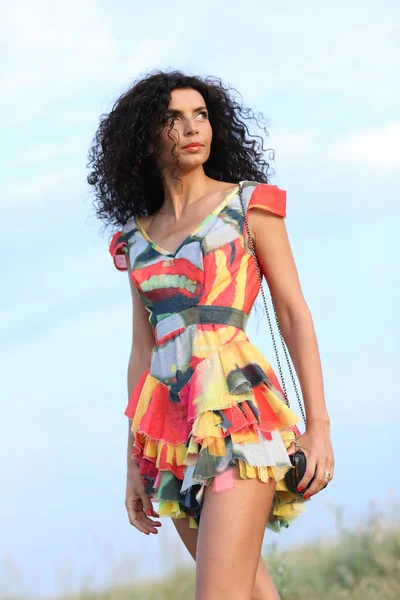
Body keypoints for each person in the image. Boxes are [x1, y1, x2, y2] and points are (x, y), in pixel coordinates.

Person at [87, 69, 334, 600]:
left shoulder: (249, 206)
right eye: (172, 119)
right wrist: (134, 460)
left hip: (238, 420)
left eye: (200, 115)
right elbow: (143, 351)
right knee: (248, 591)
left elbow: (293, 312)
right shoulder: (135, 240)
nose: (192, 128)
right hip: (170, 436)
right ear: (145, 138)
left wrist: (319, 426)